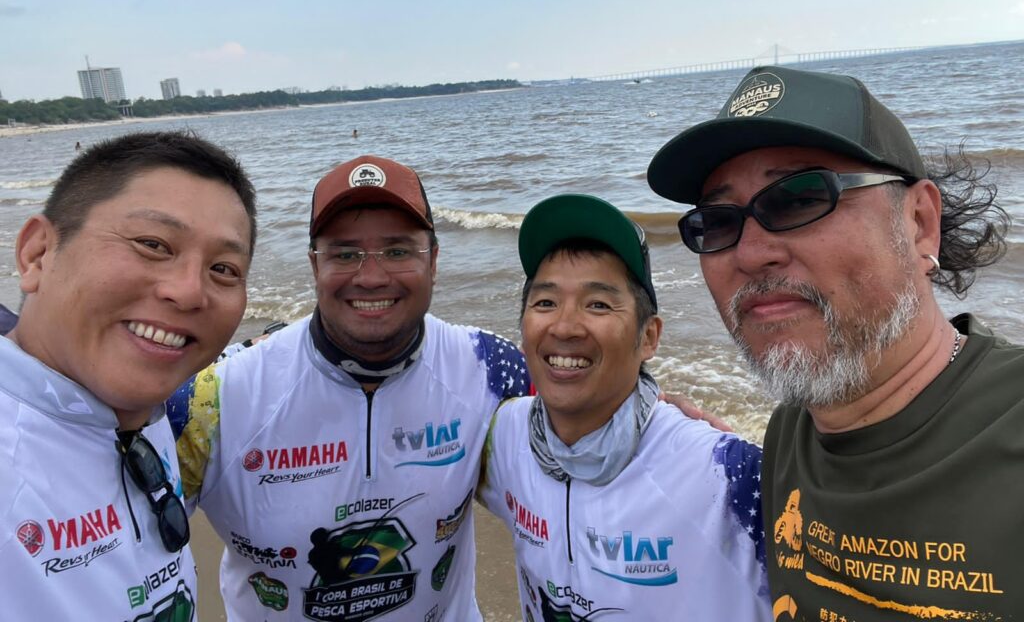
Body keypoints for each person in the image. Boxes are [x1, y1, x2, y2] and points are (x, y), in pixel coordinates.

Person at [647, 65, 1019, 620]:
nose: (750, 254)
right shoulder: (789, 437)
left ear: (919, 223)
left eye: (798, 198)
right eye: (716, 223)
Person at [168, 155, 531, 621]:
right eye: (345, 253)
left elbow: (582, 454)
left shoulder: (490, 369)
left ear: (434, 261)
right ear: (314, 264)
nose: (372, 276)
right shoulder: (214, 398)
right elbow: (116, 550)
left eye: (398, 251)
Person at [0, 131, 257, 619]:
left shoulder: (137, 407)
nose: (188, 292)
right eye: (153, 244)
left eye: (224, 269)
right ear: (37, 254)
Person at [478, 193, 770, 620]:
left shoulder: (724, 475)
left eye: (598, 304)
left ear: (649, 337)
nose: (564, 326)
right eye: (545, 302)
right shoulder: (503, 435)